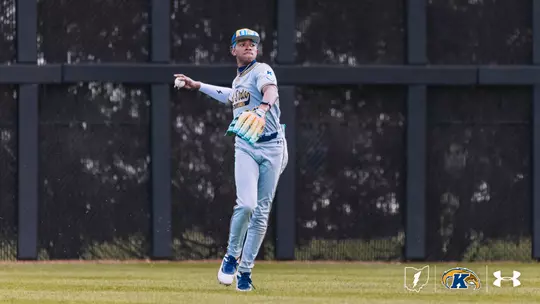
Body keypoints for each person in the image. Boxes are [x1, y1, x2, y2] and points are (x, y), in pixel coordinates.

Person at [173, 28, 288, 292]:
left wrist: (262, 108)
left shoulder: (262, 70)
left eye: (252, 44)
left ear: (256, 50)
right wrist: (198, 85)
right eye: (242, 44)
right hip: (246, 145)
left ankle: (245, 272)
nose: (248, 47)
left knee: (261, 213)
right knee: (246, 205)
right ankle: (231, 256)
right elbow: (231, 96)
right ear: (233, 50)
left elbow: (271, 91)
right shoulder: (239, 81)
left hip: (273, 146)